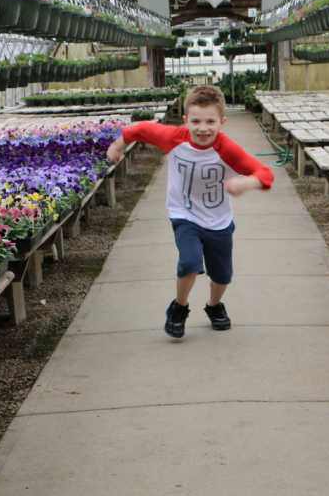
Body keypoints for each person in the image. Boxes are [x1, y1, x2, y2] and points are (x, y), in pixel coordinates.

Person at [106, 85, 274, 338]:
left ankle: (214, 306)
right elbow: (140, 129)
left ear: (222, 122)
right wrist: (118, 145)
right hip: (184, 215)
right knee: (190, 262)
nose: (202, 128)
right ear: (185, 120)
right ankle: (179, 307)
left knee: (222, 275)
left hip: (218, 220)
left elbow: (265, 174)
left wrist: (246, 182)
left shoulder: (227, 150)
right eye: (195, 121)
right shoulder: (174, 138)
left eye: (210, 121)